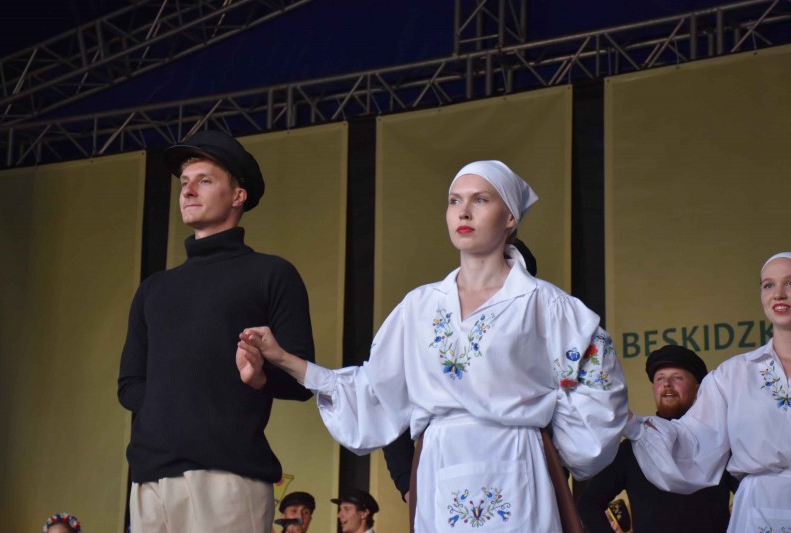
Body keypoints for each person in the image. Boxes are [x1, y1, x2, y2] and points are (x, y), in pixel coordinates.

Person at [238, 160, 629, 531]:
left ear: (510, 217)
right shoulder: (419, 307)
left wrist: (551, 439)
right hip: (441, 465)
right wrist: (284, 359)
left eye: (480, 199)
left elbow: (598, 390)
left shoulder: (546, 305)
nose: (464, 212)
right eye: (454, 201)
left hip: (516, 461)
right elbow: (374, 389)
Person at [117, 130, 315, 532]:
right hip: (149, 476)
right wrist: (172, 407)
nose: (188, 191)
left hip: (230, 476)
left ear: (238, 195)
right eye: (184, 183)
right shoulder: (154, 289)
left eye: (204, 180)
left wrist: (258, 377)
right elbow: (129, 385)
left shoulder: (272, 274)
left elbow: (302, 380)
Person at [624, 252, 791, 532]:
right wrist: (632, 423)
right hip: (759, 510)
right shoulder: (732, 375)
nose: (779, 294)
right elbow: (693, 442)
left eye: (790, 283)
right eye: (768, 285)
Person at [380, 238, 540, 504]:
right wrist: (406, 480)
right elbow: (390, 396)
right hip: (444, 462)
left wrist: (558, 467)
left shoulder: (544, 320)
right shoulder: (428, 319)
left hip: (522, 460)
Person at [578, 344, 734, 532]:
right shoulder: (632, 448)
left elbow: (751, 493)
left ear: (697, 389)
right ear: (653, 389)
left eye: (677, 377)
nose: (667, 384)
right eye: (660, 378)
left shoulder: (720, 445)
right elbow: (588, 503)